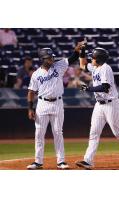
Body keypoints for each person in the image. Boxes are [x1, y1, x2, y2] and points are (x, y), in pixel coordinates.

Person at [75, 47, 119, 169]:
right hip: (99, 104)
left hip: (111, 104)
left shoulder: (106, 68)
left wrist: (88, 89)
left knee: (118, 132)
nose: (91, 59)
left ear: (98, 59)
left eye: (92, 57)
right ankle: (88, 160)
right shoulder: (95, 67)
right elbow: (82, 65)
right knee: (94, 132)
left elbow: (105, 87)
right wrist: (82, 51)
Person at [26, 42, 85, 170]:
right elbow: (31, 92)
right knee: (39, 133)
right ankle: (38, 161)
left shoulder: (58, 66)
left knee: (58, 132)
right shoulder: (36, 74)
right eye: (49, 57)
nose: (52, 59)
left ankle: (61, 161)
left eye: (52, 57)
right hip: (42, 104)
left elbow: (72, 58)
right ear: (43, 59)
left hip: (57, 103)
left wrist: (77, 50)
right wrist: (30, 108)